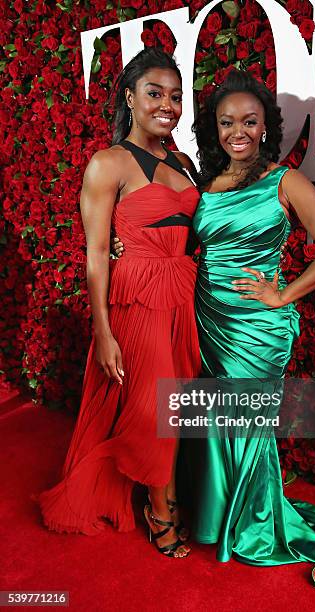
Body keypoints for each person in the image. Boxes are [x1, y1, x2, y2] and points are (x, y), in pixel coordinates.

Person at [113, 70, 315, 592]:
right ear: (214, 128)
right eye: (227, 121)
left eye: (249, 121)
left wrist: (283, 294)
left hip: (257, 327)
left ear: (264, 127)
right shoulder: (205, 184)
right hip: (203, 317)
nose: (238, 131)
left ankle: (251, 528)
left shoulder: (285, 180)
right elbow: (179, 238)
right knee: (212, 425)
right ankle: (215, 517)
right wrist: (129, 250)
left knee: (247, 428)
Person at [35, 49, 201, 558]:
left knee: (181, 401)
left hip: (183, 293)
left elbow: (195, 232)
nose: (167, 105)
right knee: (156, 406)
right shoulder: (107, 163)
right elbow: (95, 257)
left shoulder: (184, 162)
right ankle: (159, 510)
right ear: (129, 98)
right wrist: (103, 332)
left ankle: (166, 490)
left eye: (175, 96)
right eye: (155, 93)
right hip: (138, 299)